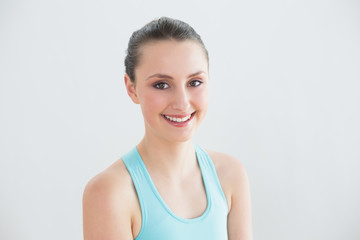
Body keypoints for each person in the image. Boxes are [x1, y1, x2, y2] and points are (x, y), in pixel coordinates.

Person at [83, 17, 252, 240]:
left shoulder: (230, 174)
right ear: (131, 89)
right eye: (161, 85)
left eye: (194, 82)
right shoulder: (109, 193)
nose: (182, 103)